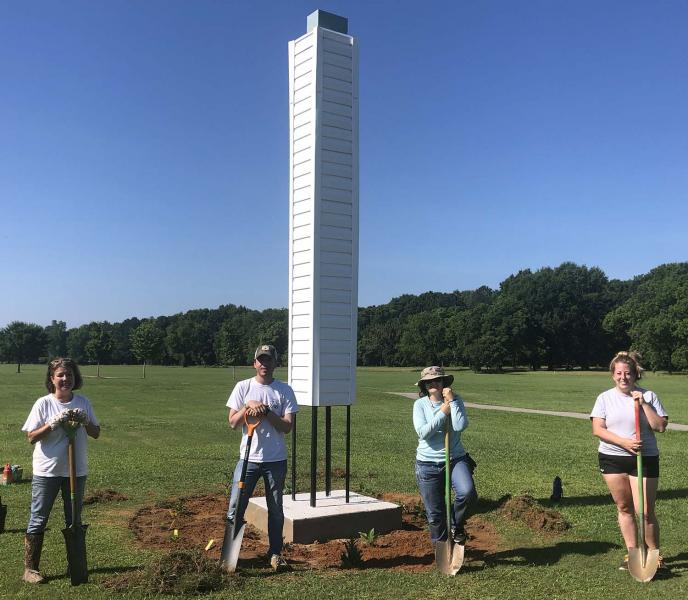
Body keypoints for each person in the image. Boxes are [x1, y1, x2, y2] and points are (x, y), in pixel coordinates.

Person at [21, 358, 100, 584]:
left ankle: (75, 565)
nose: (66, 379)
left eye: (70, 375)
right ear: (52, 379)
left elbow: (96, 433)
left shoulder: (84, 402)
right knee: (38, 518)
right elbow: (31, 437)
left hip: (76, 471)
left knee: (73, 518)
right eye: (61, 375)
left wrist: (85, 421)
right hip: (47, 472)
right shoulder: (43, 404)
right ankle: (30, 570)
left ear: (75, 378)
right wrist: (53, 423)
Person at [590, 351, 668, 572]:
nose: (623, 377)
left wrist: (643, 404)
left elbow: (660, 426)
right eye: (619, 373)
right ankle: (632, 553)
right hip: (612, 458)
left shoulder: (649, 396)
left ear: (635, 374)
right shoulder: (604, 398)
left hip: (644, 458)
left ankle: (655, 556)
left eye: (628, 373)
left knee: (644, 511)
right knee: (624, 507)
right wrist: (624, 443)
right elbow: (598, 429)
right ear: (613, 375)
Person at [225, 344, 298, 571]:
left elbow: (287, 427)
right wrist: (248, 407)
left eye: (269, 360)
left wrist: (266, 412)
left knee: (275, 509)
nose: (264, 364)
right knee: (236, 506)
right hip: (248, 459)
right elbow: (233, 423)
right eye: (261, 360)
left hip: (275, 460)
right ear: (254, 363)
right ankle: (230, 556)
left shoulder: (284, 391)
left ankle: (275, 553)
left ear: (276, 363)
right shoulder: (243, 387)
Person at [413, 366, 477, 548]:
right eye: (429, 381)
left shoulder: (456, 400)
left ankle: (457, 526)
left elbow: (460, 426)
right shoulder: (420, 405)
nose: (434, 384)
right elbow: (423, 432)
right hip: (427, 463)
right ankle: (441, 547)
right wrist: (443, 412)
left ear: (444, 383)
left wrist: (453, 402)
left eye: (438, 380)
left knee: (467, 493)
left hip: (455, 458)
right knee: (435, 514)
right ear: (424, 386)